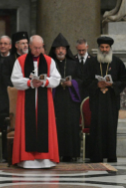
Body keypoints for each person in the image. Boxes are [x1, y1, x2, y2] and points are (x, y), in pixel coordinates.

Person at [11, 35, 61, 168]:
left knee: (44, 125)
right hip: (26, 100)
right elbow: (15, 80)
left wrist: (44, 82)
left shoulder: (49, 61)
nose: (38, 50)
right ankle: (26, 159)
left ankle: (46, 160)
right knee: (27, 126)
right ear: (29, 47)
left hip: (44, 99)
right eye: (35, 48)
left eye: (40, 48)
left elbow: (56, 79)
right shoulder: (21, 61)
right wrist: (30, 82)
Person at [83, 36, 126, 163]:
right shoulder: (91, 63)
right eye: (102, 47)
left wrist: (112, 85)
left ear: (110, 48)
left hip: (111, 101)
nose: (104, 50)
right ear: (99, 48)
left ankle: (111, 156)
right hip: (97, 101)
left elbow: (124, 81)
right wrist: (97, 85)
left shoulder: (117, 62)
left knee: (110, 127)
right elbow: (85, 80)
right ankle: (96, 156)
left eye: (106, 47)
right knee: (97, 128)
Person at [48, 33, 82, 162]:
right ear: (54, 50)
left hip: (70, 100)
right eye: (58, 48)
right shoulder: (50, 63)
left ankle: (70, 153)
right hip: (55, 100)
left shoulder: (74, 63)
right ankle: (55, 153)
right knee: (56, 126)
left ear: (66, 50)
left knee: (70, 125)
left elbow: (81, 80)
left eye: (62, 48)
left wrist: (71, 83)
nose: (60, 51)